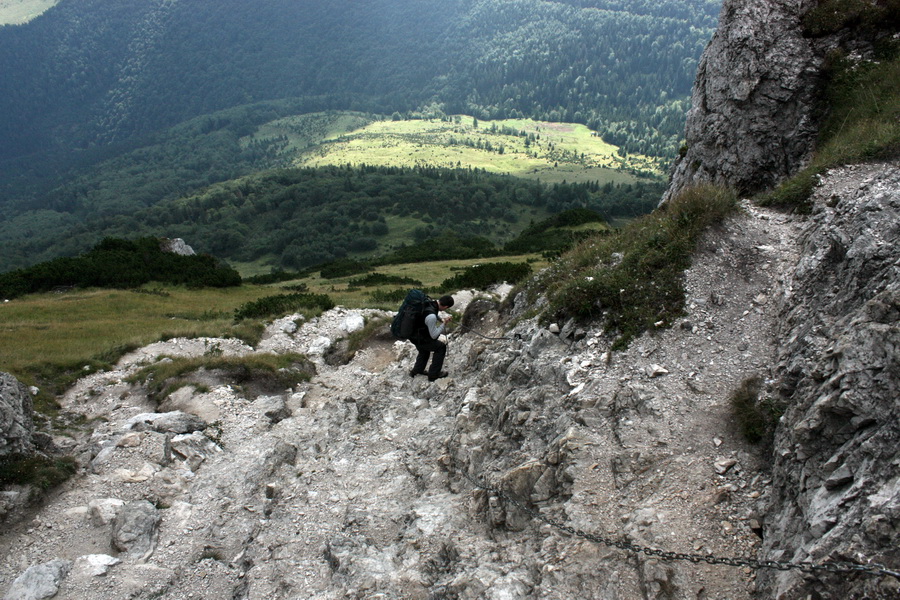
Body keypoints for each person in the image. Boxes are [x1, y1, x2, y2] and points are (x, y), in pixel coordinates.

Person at [409, 295, 454, 381]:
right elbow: (434, 335)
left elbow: (429, 315)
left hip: (413, 336)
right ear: (446, 307)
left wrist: (441, 319)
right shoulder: (432, 316)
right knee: (441, 347)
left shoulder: (429, 303)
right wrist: (444, 324)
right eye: (446, 308)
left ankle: (417, 371)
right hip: (421, 338)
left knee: (424, 351)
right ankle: (434, 374)